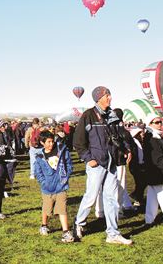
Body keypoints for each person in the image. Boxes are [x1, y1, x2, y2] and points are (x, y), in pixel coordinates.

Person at [73, 86, 133, 245]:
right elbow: (78, 141)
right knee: (91, 196)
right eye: (107, 95)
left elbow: (119, 135)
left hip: (112, 162)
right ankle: (79, 224)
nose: (110, 97)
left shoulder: (112, 115)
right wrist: (88, 158)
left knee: (111, 198)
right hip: (96, 163)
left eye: (109, 95)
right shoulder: (89, 115)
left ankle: (113, 233)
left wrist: (125, 149)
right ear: (99, 97)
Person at [34, 130, 74, 243]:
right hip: (47, 188)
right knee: (47, 208)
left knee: (62, 209)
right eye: (48, 142)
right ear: (42, 143)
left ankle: (66, 231)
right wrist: (44, 182)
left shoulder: (62, 150)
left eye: (52, 141)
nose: (51, 144)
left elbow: (69, 164)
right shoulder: (39, 156)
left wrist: (66, 176)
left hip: (61, 186)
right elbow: (38, 172)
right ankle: (44, 225)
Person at [128, 124, 147, 205]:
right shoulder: (133, 143)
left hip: (140, 165)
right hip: (135, 166)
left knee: (142, 182)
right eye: (140, 133)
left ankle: (138, 197)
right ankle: (137, 198)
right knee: (140, 183)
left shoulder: (140, 142)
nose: (142, 134)